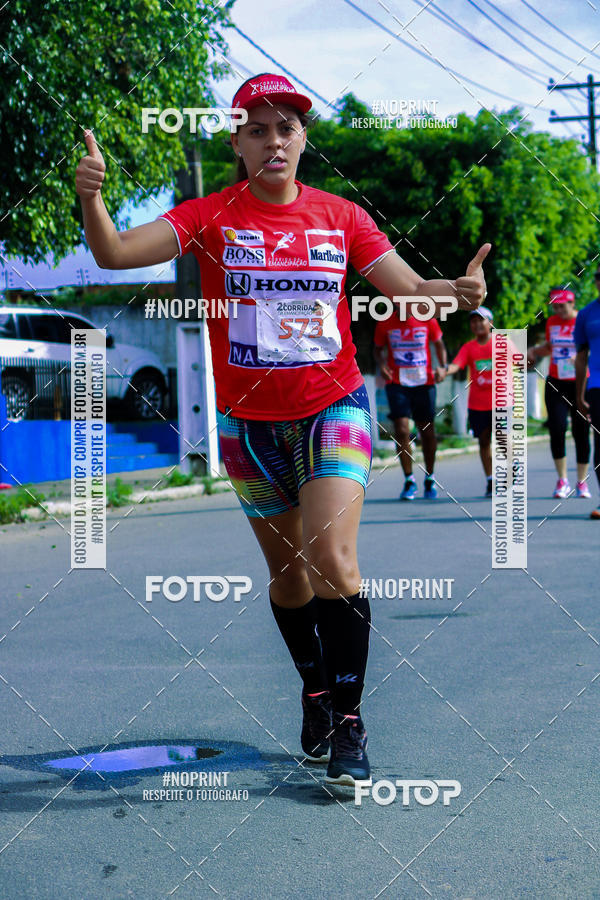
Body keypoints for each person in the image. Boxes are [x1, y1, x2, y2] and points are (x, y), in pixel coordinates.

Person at [75, 72, 490, 785]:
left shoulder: (341, 217)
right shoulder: (208, 217)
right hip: (248, 428)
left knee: (333, 559)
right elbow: (113, 254)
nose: (273, 140)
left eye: (287, 128)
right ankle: (316, 691)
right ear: (237, 142)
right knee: (290, 577)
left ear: (303, 141)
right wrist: (92, 199)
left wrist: (455, 289)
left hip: (333, 407)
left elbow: (411, 291)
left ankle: (352, 724)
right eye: (258, 129)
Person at [373, 310, 447, 500]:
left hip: (424, 383)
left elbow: (439, 344)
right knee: (402, 429)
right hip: (397, 383)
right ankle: (409, 479)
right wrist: (382, 364)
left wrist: (442, 366)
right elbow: (377, 349)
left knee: (427, 431)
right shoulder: (385, 322)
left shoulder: (427, 320)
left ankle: (430, 476)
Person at [528, 288, 591, 499]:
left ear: (572, 304)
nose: (558, 310)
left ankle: (582, 482)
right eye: (555, 306)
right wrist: (534, 351)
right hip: (556, 383)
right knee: (557, 428)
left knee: (581, 432)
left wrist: (582, 360)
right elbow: (550, 346)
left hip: (580, 382)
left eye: (562, 306)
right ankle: (562, 480)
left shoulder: (583, 320)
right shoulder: (552, 322)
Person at [445, 307, 495, 496]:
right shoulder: (469, 347)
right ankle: (490, 480)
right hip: (478, 404)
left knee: (502, 438)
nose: (477, 324)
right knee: (483, 441)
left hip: (501, 402)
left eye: (481, 320)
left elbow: (518, 360)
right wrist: (445, 371)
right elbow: (457, 364)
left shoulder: (501, 344)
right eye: (473, 321)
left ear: (490, 323)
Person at [575, 270, 600, 519]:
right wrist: (580, 395)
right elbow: (581, 359)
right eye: (599, 276)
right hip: (597, 388)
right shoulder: (586, 315)